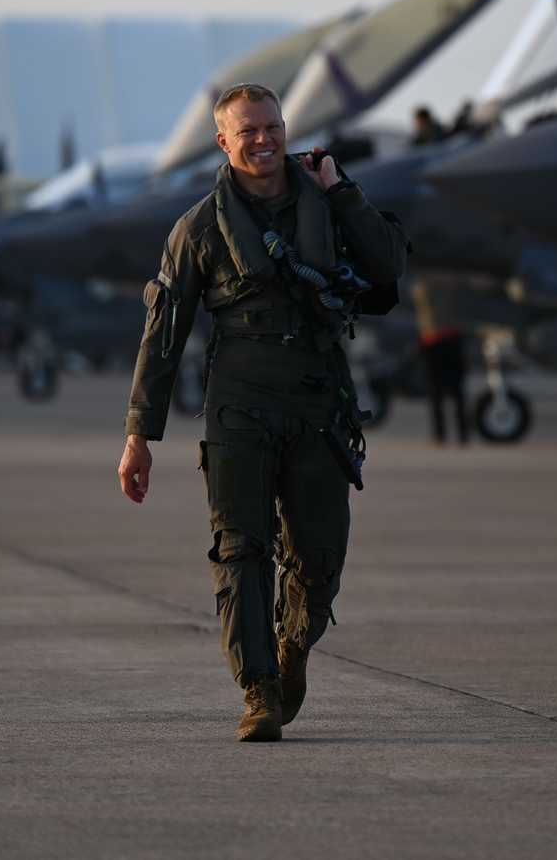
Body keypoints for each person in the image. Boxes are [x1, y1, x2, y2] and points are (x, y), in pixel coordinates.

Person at [116, 83, 407, 742]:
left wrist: (341, 190)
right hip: (240, 402)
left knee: (319, 558)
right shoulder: (198, 228)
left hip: (318, 400)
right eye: (247, 131)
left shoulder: (329, 205)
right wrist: (139, 436)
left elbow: (387, 264)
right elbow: (162, 337)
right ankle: (259, 690)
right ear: (223, 142)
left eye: (272, 126)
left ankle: (293, 647)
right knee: (240, 548)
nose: (263, 140)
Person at [411, 276, 469, 445]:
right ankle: (456, 434)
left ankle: (445, 435)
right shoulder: (452, 284)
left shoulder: (422, 286)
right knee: (450, 392)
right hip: (442, 339)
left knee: (442, 392)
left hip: (437, 339)